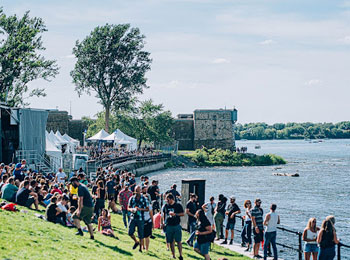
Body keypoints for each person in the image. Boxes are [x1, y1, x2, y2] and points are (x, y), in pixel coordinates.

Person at [161, 193, 184, 260]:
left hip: (176, 225)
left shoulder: (178, 205)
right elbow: (164, 214)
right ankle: (173, 255)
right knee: (171, 241)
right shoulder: (166, 206)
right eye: (166, 200)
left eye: (168, 200)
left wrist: (175, 214)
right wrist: (163, 223)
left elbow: (182, 214)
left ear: (172, 199)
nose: (167, 201)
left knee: (178, 241)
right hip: (168, 225)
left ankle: (180, 255)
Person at [128, 185, 149, 252]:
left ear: (140, 191)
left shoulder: (144, 198)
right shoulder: (132, 198)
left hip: (141, 218)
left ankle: (140, 248)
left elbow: (147, 209)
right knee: (130, 232)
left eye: (138, 191)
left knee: (141, 234)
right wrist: (131, 210)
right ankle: (136, 241)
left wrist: (140, 209)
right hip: (133, 217)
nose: (137, 192)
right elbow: (128, 207)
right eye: (136, 191)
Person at [142, 185, 154, 251]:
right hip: (141, 221)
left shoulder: (149, 206)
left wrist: (152, 223)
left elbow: (151, 215)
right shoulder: (140, 205)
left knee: (147, 236)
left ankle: (146, 248)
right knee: (142, 235)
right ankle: (142, 246)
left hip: (148, 221)